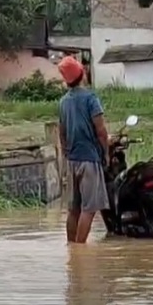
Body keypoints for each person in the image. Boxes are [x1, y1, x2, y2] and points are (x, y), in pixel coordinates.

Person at [57, 56, 110, 244]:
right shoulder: (91, 98)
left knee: (74, 209)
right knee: (89, 209)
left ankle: (72, 247)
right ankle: (80, 250)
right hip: (89, 160)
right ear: (82, 74)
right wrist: (106, 154)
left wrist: (66, 153)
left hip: (72, 160)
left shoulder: (63, 102)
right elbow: (101, 131)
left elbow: (61, 132)